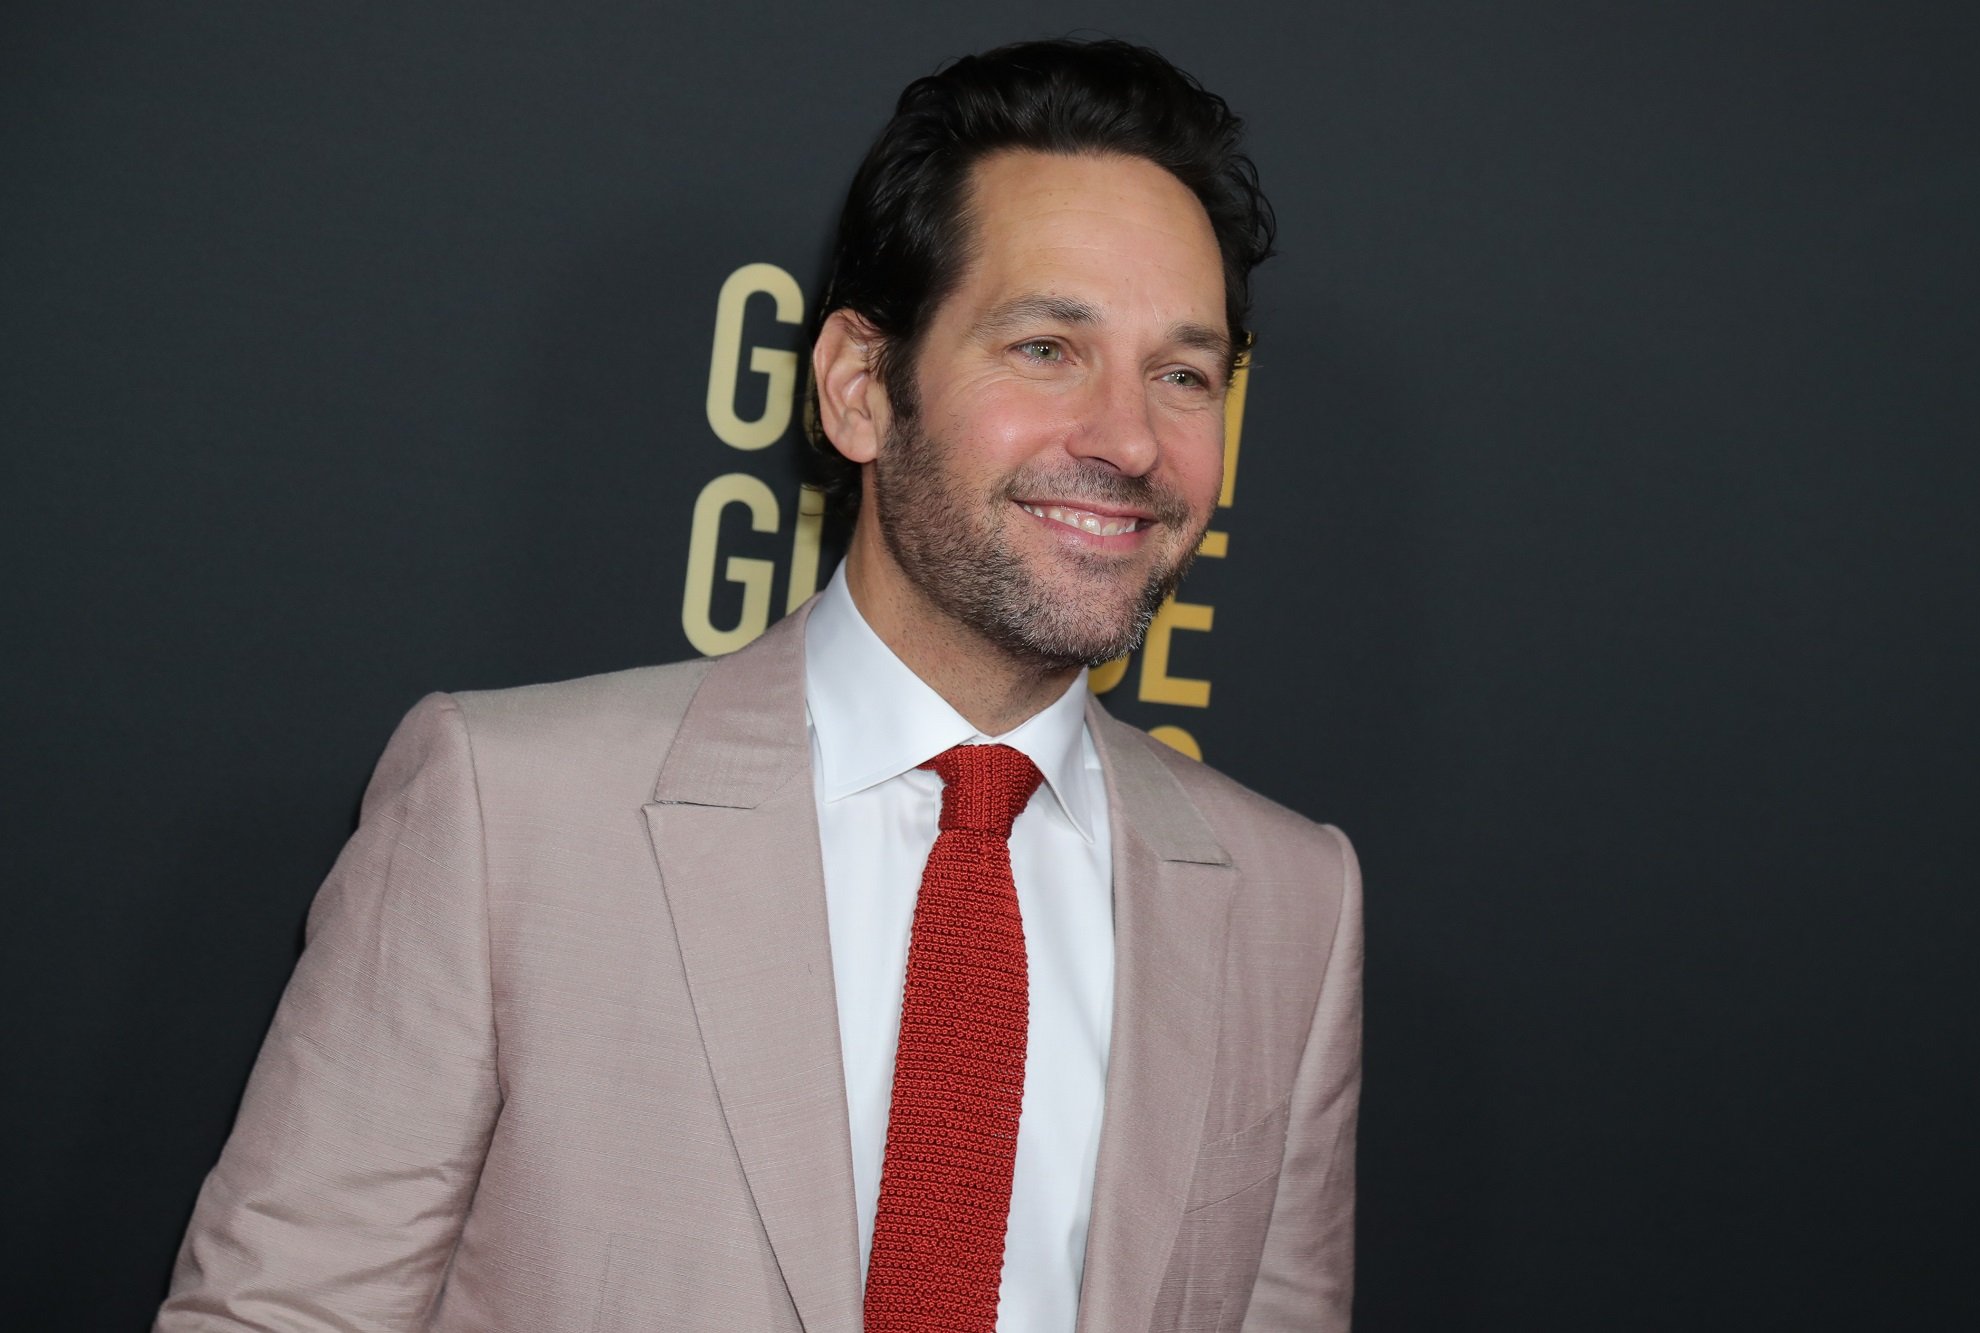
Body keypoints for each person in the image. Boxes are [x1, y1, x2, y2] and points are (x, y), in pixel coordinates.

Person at [157, 38, 1362, 1333]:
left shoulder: (1293, 905)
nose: (1128, 439)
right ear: (858, 387)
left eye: (1182, 375)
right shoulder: (506, 819)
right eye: (1044, 348)